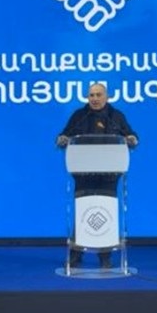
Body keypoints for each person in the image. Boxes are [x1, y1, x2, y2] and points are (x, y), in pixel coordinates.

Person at [56, 83, 137, 269]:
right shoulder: (79, 115)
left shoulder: (116, 116)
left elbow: (131, 135)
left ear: (107, 97)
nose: (94, 98)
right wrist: (62, 139)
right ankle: (76, 255)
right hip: (83, 174)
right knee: (82, 213)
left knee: (106, 213)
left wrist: (132, 139)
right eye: (91, 95)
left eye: (98, 95)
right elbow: (64, 135)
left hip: (109, 175)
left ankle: (105, 258)